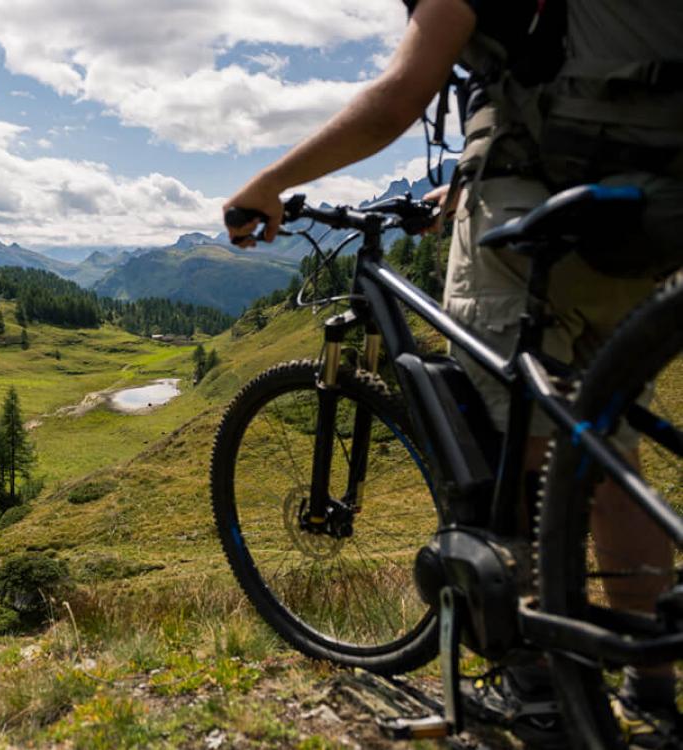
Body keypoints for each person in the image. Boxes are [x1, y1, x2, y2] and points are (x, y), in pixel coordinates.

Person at [224, 1, 682, 746]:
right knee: (606, 449)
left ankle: (537, 687)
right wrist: (467, 177)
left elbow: (399, 98)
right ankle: (650, 686)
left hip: (530, 224)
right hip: (646, 209)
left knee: (519, 459)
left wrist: (267, 184)